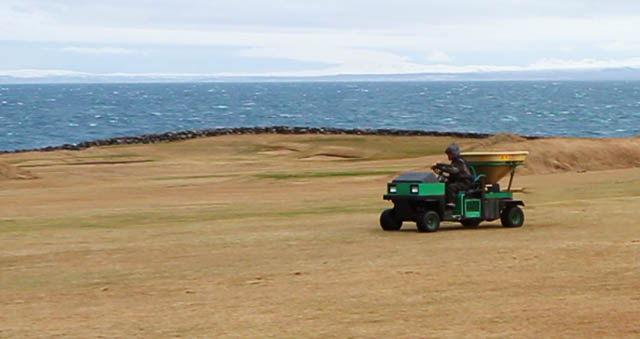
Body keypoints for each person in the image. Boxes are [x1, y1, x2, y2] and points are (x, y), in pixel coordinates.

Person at [431, 143, 474, 209]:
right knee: (443, 184)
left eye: (449, 154)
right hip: (459, 181)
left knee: (451, 187)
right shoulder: (455, 161)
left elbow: (453, 170)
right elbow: (451, 170)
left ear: (454, 154)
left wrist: (440, 166)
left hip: (465, 182)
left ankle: (451, 203)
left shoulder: (460, 161)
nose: (448, 156)